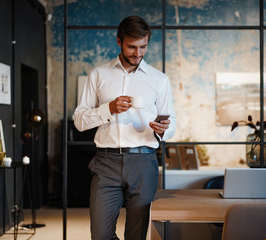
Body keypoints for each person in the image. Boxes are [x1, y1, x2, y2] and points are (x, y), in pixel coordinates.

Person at [74, 15, 176, 240]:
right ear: (119, 41)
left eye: (143, 47)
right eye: (132, 47)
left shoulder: (159, 80)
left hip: (143, 161)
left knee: (136, 235)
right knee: (100, 235)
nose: (138, 54)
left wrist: (163, 129)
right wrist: (108, 108)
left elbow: (171, 126)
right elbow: (79, 121)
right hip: (106, 163)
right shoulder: (98, 74)